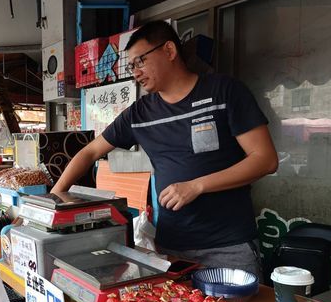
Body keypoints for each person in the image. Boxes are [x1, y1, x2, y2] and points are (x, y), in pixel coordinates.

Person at [52, 21, 278, 277]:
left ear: (169, 51)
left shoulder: (224, 92)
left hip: (228, 249)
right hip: (171, 249)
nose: (135, 72)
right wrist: (52, 202)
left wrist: (196, 185)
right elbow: (89, 153)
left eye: (140, 61)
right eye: (131, 66)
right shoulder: (140, 114)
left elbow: (265, 159)